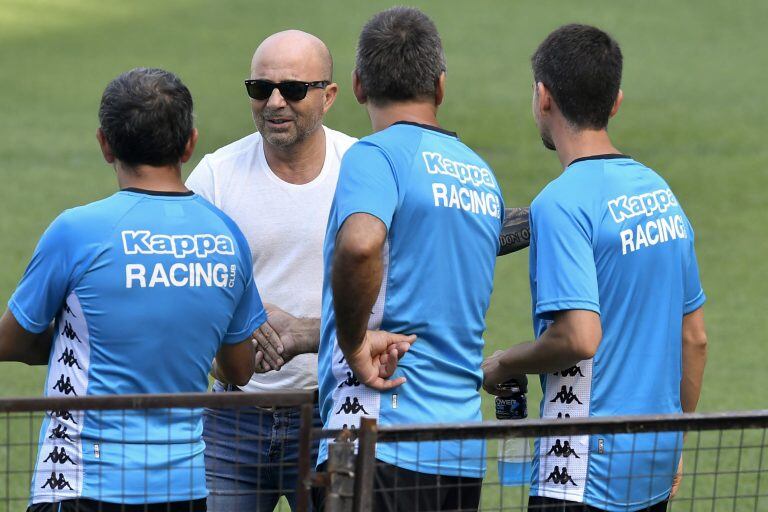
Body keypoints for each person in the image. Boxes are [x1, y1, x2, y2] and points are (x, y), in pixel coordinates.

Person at [0, 68, 262, 511]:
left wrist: (87, 340)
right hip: (185, 489)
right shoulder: (227, 236)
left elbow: (11, 339)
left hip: (82, 481)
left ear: (105, 144)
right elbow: (239, 369)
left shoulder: (77, 231)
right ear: (190, 143)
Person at [482, 24, 708, 512]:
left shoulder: (560, 204)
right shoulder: (661, 194)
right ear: (616, 101)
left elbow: (579, 338)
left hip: (581, 471)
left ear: (543, 97)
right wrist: (673, 440)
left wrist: (504, 362)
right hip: (652, 459)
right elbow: (695, 338)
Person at [186, 30, 412, 512]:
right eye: (259, 88)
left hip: (333, 413)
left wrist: (309, 331)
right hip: (232, 417)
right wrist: (239, 318)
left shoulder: (363, 169)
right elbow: (185, 295)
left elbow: (400, 295)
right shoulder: (214, 176)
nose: (273, 103)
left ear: (329, 96)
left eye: (292, 89)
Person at [314, 7, 505, 511]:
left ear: (356, 85)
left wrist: (353, 342)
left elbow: (360, 245)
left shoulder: (374, 156)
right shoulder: (481, 175)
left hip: (380, 430)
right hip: (460, 445)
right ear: (440, 87)